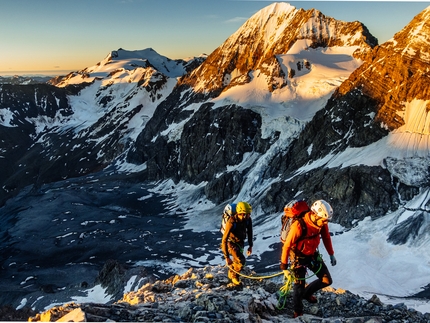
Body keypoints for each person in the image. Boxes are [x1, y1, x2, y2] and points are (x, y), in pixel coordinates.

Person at [280, 199, 337, 318]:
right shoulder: (299, 226)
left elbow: (326, 238)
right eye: (323, 220)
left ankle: (307, 294)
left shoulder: (322, 224)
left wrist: (331, 254)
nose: (325, 223)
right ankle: (298, 311)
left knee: (326, 280)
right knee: (299, 285)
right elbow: (287, 246)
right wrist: (284, 266)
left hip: (311, 254)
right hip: (298, 257)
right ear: (315, 215)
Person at [221, 201, 253, 285]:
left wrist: (250, 245)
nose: (249, 215)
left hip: (240, 242)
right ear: (243, 214)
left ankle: (232, 275)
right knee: (241, 260)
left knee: (237, 261)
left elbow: (250, 232)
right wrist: (227, 257)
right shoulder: (231, 222)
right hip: (230, 243)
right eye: (248, 214)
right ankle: (234, 277)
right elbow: (224, 239)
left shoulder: (247, 220)